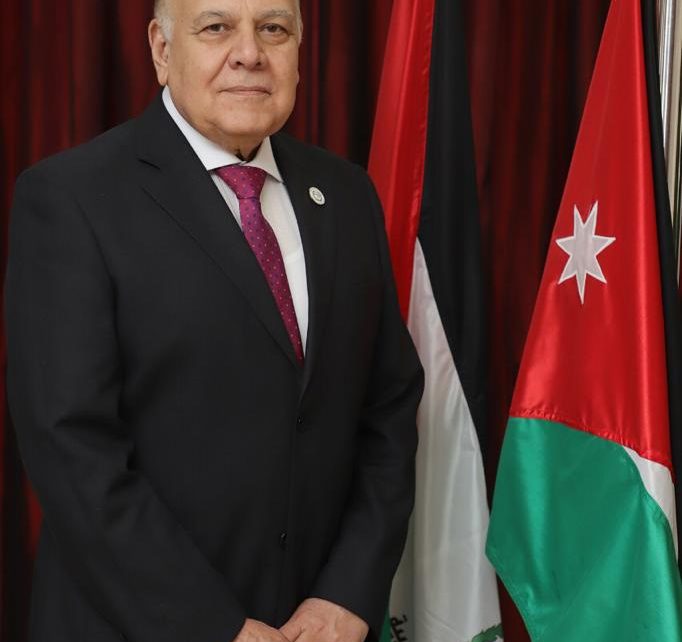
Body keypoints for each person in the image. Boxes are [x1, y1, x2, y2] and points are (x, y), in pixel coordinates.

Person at [5, 0, 423, 641]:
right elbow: (73, 451)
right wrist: (215, 627)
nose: (249, 53)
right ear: (161, 49)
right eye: (217, 27)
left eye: (273, 29)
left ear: (299, 52)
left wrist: (347, 595)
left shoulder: (345, 194)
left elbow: (388, 407)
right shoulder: (71, 198)